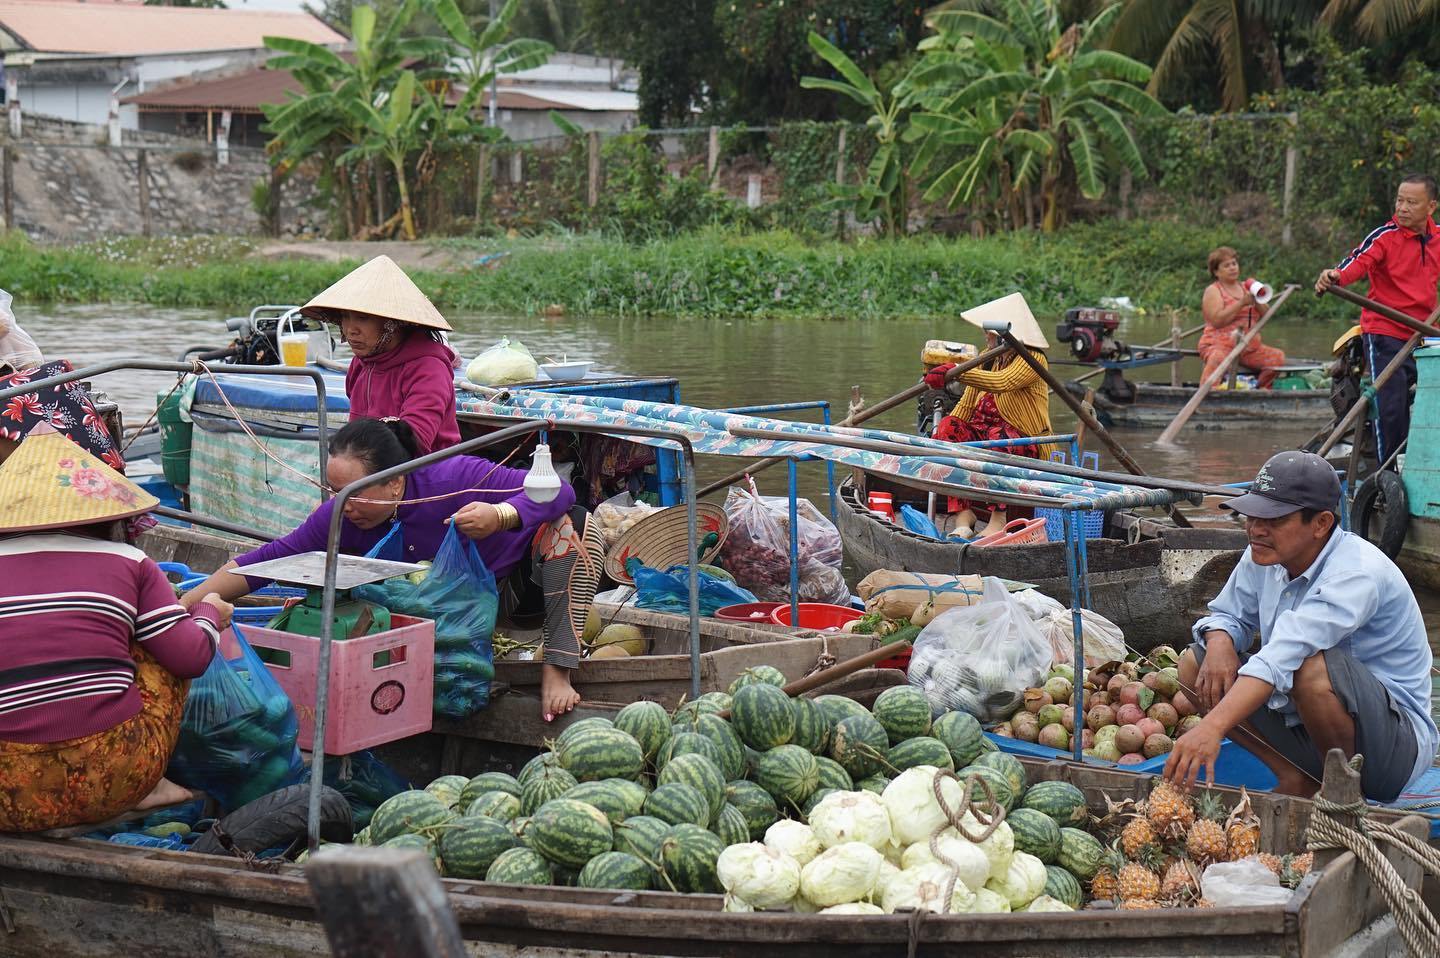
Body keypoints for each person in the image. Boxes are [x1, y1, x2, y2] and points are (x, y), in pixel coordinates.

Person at [180, 418, 600, 720]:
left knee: (573, 526)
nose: (342, 503)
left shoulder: (452, 477)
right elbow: (272, 559)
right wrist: (183, 605)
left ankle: (557, 669)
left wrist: (502, 515)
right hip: (438, 628)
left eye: (355, 492)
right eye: (333, 491)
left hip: (510, 597)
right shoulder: (339, 516)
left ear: (395, 483)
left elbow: (559, 490)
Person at [1163, 451, 1437, 802]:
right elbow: (1227, 616)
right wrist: (1219, 642)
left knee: (1309, 668)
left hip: (1392, 750)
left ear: (1321, 524)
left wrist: (1212, 726)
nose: (1256, 529)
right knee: (1194, 664)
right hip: (1308, 726)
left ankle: (1342, 794)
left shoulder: (1357, 572)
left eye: (1274, 519)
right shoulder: (1264, 552)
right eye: (1252, 516)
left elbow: (1284, 653)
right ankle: (1297, 777)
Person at [0, 423, 232, 833]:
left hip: (8, 799)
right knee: (165, 639)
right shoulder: (129, 560)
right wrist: (210, 615)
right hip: (115, 778)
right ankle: (155, 785)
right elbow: (191, 658)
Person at [1315, 174, 1440, 466]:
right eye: (1400, 200)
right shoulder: (1384, 236)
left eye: (1412, 202)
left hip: (1426, 332)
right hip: (1387, 330)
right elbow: (1357, 262)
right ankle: (1390, 472)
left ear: (1431, 206)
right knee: (1392, 405)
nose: (1403, 207)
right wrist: (1335, 276)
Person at [921, 292, 1054, 539]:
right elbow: (969, 401)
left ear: (1006, 332)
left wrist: (957, 373)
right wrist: (942, 435)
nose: (986, 335)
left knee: (998, 437)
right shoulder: (988, 357)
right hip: (984, 433)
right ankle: (963, 515)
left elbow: (1003, 381)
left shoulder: (1033, 357)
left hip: (1022, 440)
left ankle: (997, 519)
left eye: (990, 331)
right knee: (948, 428)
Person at [300, 255, 461, 455]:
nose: (350, 329)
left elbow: (414, 444)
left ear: (391, 323)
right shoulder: (360, 364)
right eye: (345, 317)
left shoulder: (429, 369)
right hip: (370, 467)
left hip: (427, 473)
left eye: (362, 318)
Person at [1199, 247, 1285, 388]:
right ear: (1216, 272)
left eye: (1234, 264)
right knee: (1218, 358)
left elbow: (1266, 315)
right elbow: (1217, 321)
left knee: (1277, 358)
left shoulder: (1247, 287)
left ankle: (1257, 388)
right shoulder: (1213, 290)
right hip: (1219, 345)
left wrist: (1258, 299)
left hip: (1248, 347)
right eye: (1226, 266)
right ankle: (1209, 392)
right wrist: (1241, 303)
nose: (1232, 268)